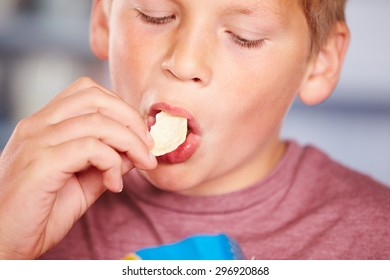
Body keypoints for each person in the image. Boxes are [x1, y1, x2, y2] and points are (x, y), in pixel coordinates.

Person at [0, 0, 389, 260]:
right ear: (104, 20)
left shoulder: (374, 239)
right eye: (155, 15)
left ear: (319, 62)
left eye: (243, 36)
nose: (183, 63)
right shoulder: (26, 209)